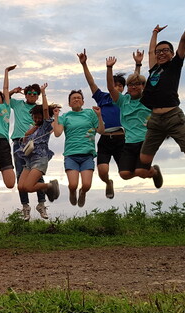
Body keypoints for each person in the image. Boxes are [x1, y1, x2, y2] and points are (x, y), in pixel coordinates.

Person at [139, 0, 185, 174]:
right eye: (159, 51)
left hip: (173, 116)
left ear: (172, 54)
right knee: (144, 160)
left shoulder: (175, 65)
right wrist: (154, 32)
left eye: (165, 50)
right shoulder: (154, 68)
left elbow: (184, 38)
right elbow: (150, 51)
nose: (161, 53)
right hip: (155, 119)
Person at [106, 52, 162, 188]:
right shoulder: (123, 101)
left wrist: (139, 64)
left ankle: (152, 172)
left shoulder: (148, 100)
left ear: (143, 86)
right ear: (127, 88)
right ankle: (151, 171)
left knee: (141, 171)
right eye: (130, 85)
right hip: (129, 142)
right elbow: (110, 87)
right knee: (124, 174)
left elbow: (144, 79)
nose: (134, 87)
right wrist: (109, 68)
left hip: (145, 141)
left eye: (138, 84)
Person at [78, 49, 127, 200]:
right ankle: (108, 182)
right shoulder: (102, 98)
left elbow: (137, 84)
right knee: (102, 171)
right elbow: (91, 82)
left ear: (123, 88)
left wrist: (138, 64)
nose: (117, 87)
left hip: (121, 139)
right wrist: (84, 64)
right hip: (105, 138)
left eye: (120, 86)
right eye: (115, 85)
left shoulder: (125, 100)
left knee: (125, 173)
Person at [52, 90, 105, 208]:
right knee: (73, 185)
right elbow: (57, 133)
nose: (76, 99)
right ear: (69, 103)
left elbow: (101, 131)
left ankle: (83, 193)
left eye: (79, 98)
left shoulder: (90, 114)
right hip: (71, 154)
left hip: (87, 154)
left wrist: (99, 116)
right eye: (73, 98)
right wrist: (56, 117)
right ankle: (72, 192)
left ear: (83, 101)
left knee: (86, 185)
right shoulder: (65, 116)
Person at [15, 83, 60, 218]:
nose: (36, 118)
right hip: (29, 160)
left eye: (38, 116)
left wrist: (44, 93)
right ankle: (46, 187)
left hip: (40, 159)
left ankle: (49, 186)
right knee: (21, 187)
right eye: (34, 116)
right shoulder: (34, 128)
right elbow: (24, 140)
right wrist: (31, 130)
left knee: (29, 187)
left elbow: (45, 110)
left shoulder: (46, 126)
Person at [8, 72, 47, 220]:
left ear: (37, 96)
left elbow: (47, 113)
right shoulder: (18, 104)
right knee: (20, 175)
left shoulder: (39, 109)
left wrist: (43, 93)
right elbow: (5, 99)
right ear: (25, 95)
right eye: (29, 93)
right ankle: (25, 206)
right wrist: (13, 91)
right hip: (19, 142)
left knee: (37, 173)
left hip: (35, 143)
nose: (31, 95)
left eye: (34, 93)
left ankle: (41, 204)